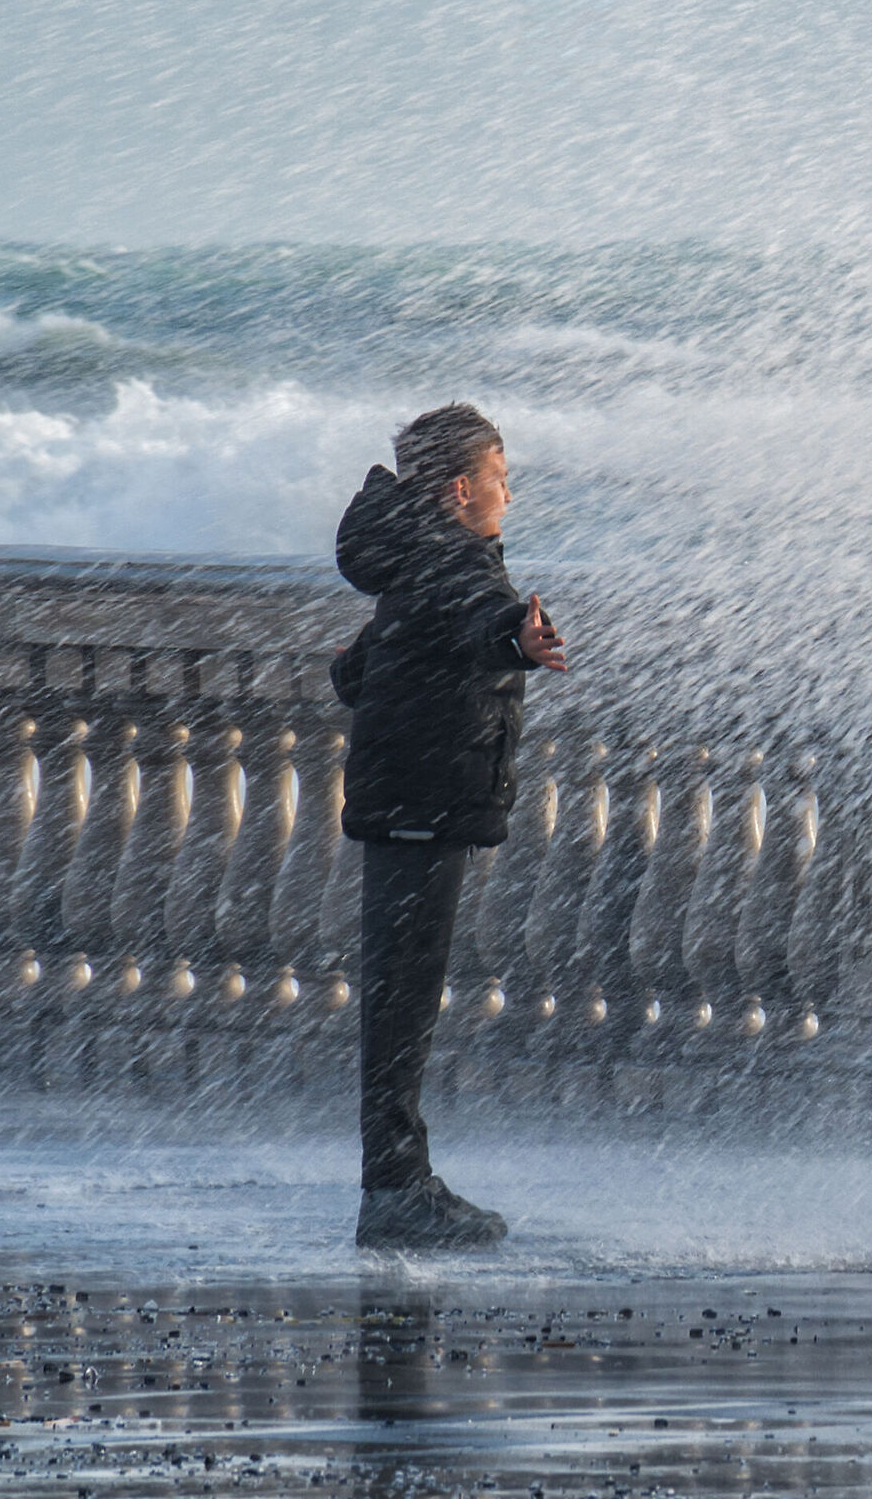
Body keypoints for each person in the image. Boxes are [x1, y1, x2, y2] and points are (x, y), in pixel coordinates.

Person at [330, 403, 567, 1250]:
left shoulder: (412, 558)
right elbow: (478, 614)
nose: (509, 494)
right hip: (421, 809)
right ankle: (394, 1192)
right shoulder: (450, 560)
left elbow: (357, 672)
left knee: (400, 1000)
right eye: (502, 478)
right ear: (462, 487)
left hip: (406, 801)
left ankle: (399, 1182)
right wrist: (517, 635)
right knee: (402, 1005)